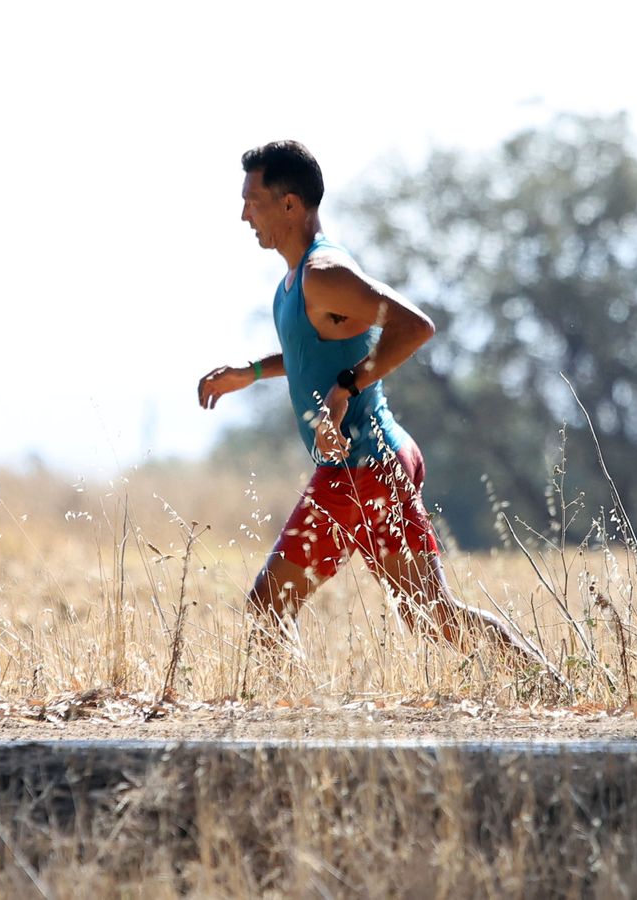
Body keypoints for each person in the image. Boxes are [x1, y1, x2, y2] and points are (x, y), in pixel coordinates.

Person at [197, 140, 556, 678]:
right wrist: (248, 374)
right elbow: (308, 355)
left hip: (367, 469)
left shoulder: (325, 272)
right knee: (419, 615)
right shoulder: (291, 284)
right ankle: (299, 720)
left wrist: (348, 386)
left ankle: (552, 686)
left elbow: (414, 326)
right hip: (360, 468)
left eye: (252, 199)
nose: (243, 213)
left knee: (297, 609)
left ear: (290, 204)